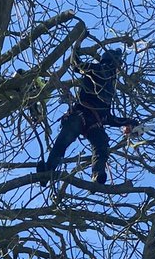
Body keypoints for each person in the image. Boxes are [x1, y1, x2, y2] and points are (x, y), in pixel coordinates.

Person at [36, 45, 134, 185]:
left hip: (92, 120)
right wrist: (76, 49)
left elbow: (107, 116)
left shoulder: (109, 85)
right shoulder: (97, 70)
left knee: (97, 145)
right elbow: (76, 65)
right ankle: (49, 171)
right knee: (74, 142)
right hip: (82, 115)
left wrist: (128, 121)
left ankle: (96, 174)